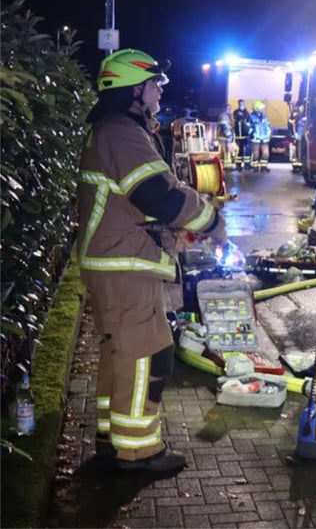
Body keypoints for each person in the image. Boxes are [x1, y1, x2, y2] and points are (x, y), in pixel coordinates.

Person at [76, 49, 229, 474]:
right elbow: (157, 194)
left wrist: (171, 229)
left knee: (121, 352)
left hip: (113, 262)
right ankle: (138, 452)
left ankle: (112, 441)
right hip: (121, 265)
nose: (160, 92)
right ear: (133, 91)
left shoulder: (111, 130)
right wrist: (211, 219)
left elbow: (134, 199)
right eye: (154, 84)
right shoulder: (121, 133)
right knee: (148, 354)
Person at [248, 100, 271, 172]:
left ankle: (264, 167)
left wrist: (269, 132)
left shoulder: (264, 116)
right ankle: (255, 167)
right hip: (256, 138)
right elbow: (248, 127)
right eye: (261, 108)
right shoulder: (251, 117)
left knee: (266, 153)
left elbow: (267, 125)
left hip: (265, 138)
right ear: (257, 108)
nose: (262, 109)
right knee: (255, 153)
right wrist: (251, 134)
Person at [233, 99, 251, 171]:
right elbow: (238, 118)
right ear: (238, 104)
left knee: (247, 150)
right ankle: (238, 165)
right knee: (239, 150)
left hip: (246, 134)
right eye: (240, 103)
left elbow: (248, 121)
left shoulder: (247, 112)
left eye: (243, 103)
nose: (242, 104)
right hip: (239, 134)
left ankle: (247, 165)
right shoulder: (236, 112)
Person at [217, 103, 235, 170]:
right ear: (224, 109)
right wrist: (229, 135)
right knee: (225, 151)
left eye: (230, 108)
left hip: (227, 137)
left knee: (228, 151)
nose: (229, 110)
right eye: (228, 108)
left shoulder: (227, 116)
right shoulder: (223, 116)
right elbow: (224, 127)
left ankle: (227, 165)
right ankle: (225, 165)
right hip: (224, 137)